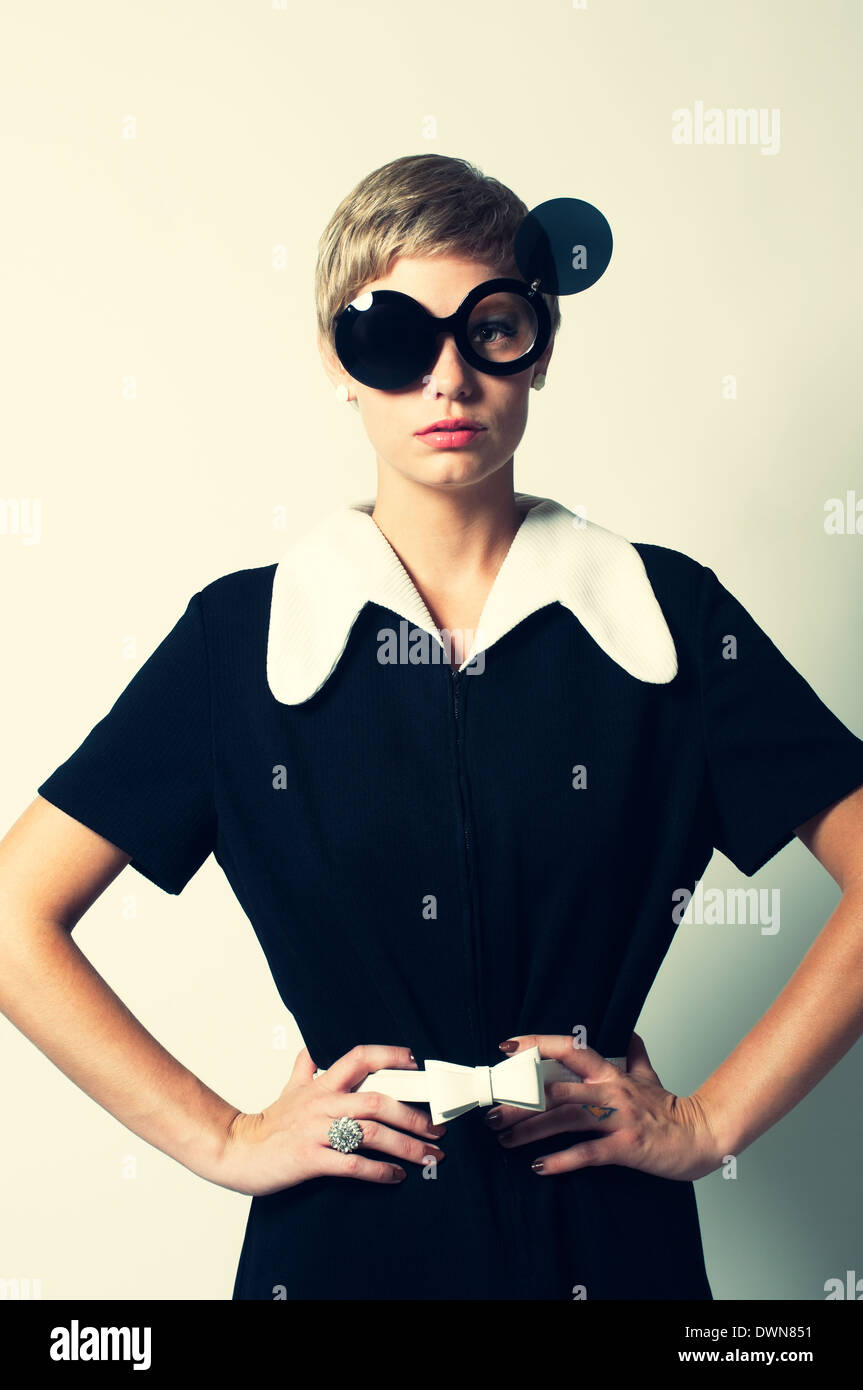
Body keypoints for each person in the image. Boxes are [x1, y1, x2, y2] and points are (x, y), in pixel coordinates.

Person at [2, 152, 863, 1301]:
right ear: (337, 362)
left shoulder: (668, 617)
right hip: (341, 1247)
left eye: (490, 330)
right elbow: (15, 917)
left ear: (540, 345)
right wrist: (221, 1138)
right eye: (395, 340)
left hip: (607, 1247)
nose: (446, 381)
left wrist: (708, 1120)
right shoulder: (237, 641)